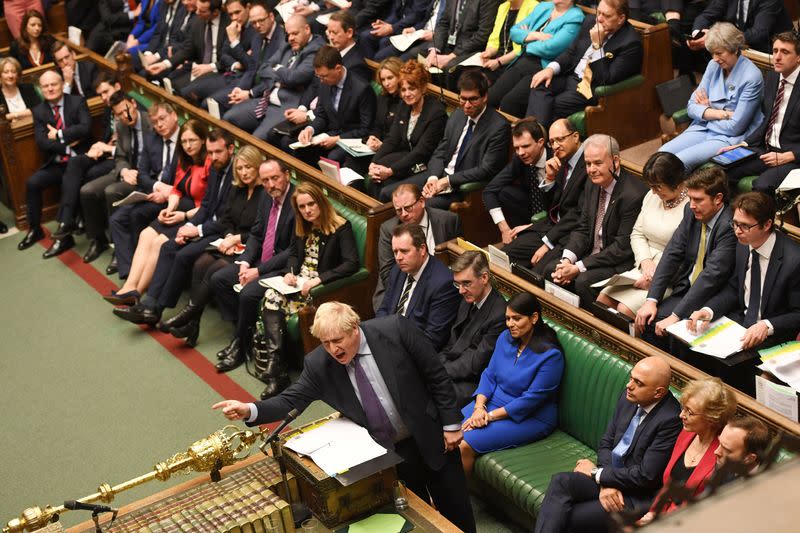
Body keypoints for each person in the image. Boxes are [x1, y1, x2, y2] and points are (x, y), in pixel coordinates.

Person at [213, 301, 478, 533]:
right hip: (392, 453)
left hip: (433, 435)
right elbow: (290, 400)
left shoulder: (395, 330)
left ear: (355, 328)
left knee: (458, 515)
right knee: (420, 518)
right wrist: (251, 410)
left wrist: (452, 424)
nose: (333, 349)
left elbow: (436, 376)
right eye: (325, 343)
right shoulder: (319, 365)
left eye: (337, 340)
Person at [533, 356, 682, 533]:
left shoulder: (671, 419)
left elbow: (646, 476)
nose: (629, 385)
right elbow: (606, 444)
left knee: (567, 517)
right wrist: (604, 482)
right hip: (611, 477)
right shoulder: (628, 397)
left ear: (658, 393)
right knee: (561, 481)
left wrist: (598, 474)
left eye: (638, 383)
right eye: (631, 377)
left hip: (634, 496)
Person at [242, 182, 360, 400]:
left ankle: (277, 372)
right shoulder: (302, 226)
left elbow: (351, 264)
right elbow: (295, 256)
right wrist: (289, 272)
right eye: (302, 207)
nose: (307, 211)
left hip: (318, 291)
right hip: (298, 285)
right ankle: (277, 368)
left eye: (311, 204)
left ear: (321, 202)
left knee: (272, 302)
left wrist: (319, 280)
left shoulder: (341, 227)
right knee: (270, 296)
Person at [112, 131, 237, 331]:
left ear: (231, 149)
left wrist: (196, 229)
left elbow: (227, 219)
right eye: (210, 152)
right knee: (169, 246)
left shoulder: (236, 172)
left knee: (182, 255)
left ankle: (154, 309)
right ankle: (149, 303)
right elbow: (205, 206)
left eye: (218, 152)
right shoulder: (215, 167)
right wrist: (188, 227)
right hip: (205, 225)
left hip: (224, 232)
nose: (213, 157)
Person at [104, 120, 210, 305]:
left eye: (192, 140)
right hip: (178, 209)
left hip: (196, 216)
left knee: (159, 242)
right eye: (184, 141)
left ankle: (138, 292)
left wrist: (183, 216)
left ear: (203, 140)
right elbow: (176, 190)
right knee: (146, 234)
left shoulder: (209, 165)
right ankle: (129, 287)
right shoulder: (183, 159)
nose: (188, 145)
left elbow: (209, 206)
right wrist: (169, 210)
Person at [537, 134, 648, 308]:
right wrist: (567, 261)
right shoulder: (592, 183)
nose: (591, 170)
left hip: (617, 262)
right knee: (552, 269)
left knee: (583, 281)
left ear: (615, 161)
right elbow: (583, 228)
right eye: (588, 164)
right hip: (591, 254)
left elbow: (621, 248)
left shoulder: (633, 195)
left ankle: (595, 331)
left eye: (597, 163)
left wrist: (578, 267)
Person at [459, 292, 565, 474]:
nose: (510, 324)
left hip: (531, 417)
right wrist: (479, 408)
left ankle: (456, 501)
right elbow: (489, 375)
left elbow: (531, 400)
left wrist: (488, 416)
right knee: (450, 429)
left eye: (517, 319)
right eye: (508, 319)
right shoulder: (504, 338)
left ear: (534, 318)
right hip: (491, 405)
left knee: (463, 444)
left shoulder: (551, 356)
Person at [210, 159, 295, 376]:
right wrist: (246, 262)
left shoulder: (297, 202)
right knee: (219, 279)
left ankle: (239, 344)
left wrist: (258, 270)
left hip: (282, 267)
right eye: (265, 180)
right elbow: (257, 234)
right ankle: (244, 334)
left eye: (274, 178)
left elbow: (291, 250)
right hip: (259, 262)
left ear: (287, 175)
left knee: (248, 294)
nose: (270, 184)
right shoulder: (267, 199)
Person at [634, 166, 736, 346]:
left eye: (698, 200)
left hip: (712, 298)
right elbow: (672, 253)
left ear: (718, 199)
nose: (692, 205)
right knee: (647, 321)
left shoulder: (729, 225)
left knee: (671, 331)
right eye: (690, 199)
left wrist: (676, 315)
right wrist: (652, 300)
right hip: (686, 289)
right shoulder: (691, 212)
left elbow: (712, 275)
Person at [687, 192, 800, 350]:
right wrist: (709, 310)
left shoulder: (794, 261)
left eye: (745, 225)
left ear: (767, 225)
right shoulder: (743, 243)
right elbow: (735, 288)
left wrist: (767, 325)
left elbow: (798, 313)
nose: (737, 231)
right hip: (739, 322)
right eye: (734, 223)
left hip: (773, 336)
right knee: (690, 344)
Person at [47, 90, 152, 259]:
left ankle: (120, 248)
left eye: (126, 110)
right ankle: (98, 239)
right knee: (87, 191)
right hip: (126, 171)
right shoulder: (121, 125)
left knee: (111, 191)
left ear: (133, 103)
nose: (125, 116)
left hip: (145, 174)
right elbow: (121, 157)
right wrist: (124, 170)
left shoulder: (150, 122)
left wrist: (139, 174)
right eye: (119, 114)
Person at [82, 100, 177, 271]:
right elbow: (142, 173)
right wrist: (155, 186)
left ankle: (137, 271)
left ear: (174, 116)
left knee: (134, 214)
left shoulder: (184, 141)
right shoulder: (152, 139)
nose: (159, 125)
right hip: (151, 190)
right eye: (155, 122)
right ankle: (127, 272)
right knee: (116, 219)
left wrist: (167, 193)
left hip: (173, 197)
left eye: (162, 119)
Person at [397, 70, 510, 208]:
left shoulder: (499, 126)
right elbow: (440, 151)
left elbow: (486, 169)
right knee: (390, 193)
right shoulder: (457, 115)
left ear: (485, 96)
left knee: (414, 208)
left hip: (462, 187)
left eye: (473, 99)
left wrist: (447, 181)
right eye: (463, 98)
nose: (467, 105)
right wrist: (433, 178)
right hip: (438, 176)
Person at [596, 152, 690, 319]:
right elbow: (637, 233)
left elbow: (686, 255)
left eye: (658, 186)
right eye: (651, 186)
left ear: (676, 182)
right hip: (642, 267)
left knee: (625, 310)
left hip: (668, 276)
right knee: (602, 299)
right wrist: (645, 262)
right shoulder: (652, 196)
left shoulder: (691, 207)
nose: (653, 192)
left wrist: (656, 276)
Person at [661, 22, 764, 171]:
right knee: (662, 154)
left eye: (719, 53)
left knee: (679, 162)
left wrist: (705, 111)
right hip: (702, 128)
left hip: (728, 138)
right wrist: (721, 113)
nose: (715, 58)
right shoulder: (713, 65)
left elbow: (735, 127)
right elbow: (691, 107)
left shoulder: (751, 77)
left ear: (734, 49)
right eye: (712, 53)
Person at [526, 0, 643, 128]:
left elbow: (607, 79)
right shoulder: (590, 21)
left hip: (589, 88)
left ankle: (534, 138)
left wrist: (598, 46)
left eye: (606, 15)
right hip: (571, 76)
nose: (599, 19)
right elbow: (571, 53)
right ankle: (534, 138)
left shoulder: (631, 43)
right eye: (599, 12)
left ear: (621, 18)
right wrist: (550, 69)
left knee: (551, 105)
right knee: (539, 83)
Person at [636, 378, 737, 524]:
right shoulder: (686, 434)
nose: (681, 415)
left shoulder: (722, 452)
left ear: (711, 419)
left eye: (689, 412)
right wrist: (653, 513)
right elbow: (667, 487)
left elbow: (707, 510)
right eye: (684, 408)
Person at [18, 70, 91, 252]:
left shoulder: (77, 101)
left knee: (70, 177)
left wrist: (58, 134)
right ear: (41, 89)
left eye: (54, 84)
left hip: (81, 160)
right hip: (58, 161)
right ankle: (35, 230)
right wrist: (67, 146)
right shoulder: (39, 111)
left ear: (61, 84)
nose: (50, 88)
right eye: (45, 86)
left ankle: (64, 233)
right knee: (33, 183)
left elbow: (85, 128)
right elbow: (42, 142)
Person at [722, 31, 800, 195]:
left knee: (762, 186)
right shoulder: (772, 78)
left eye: (785, 52)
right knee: (721, 170)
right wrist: (744, 144)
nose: (777, 57)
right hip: (765, 150)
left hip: (791, 157)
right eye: (775, 51)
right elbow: (767, 122)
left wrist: (790, 155)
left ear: (798, 57)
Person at [222, 14, 324, 140]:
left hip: (286, 105)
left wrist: (277, 68)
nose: (290, 38)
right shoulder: (288, 44)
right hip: (266, 98)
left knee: (257, 139)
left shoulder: (316, 49)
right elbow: (263, 68)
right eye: (288, 34)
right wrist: (281, 73)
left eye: (295, 33)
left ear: (307, 29)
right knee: (228, 118)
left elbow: (294, 78)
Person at [504, 118, 588, 266]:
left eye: (560, 139)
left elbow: (577, 213)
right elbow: (552, 208)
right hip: (550, 227)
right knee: (505, 255)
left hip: (570, 234)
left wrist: (547, 242)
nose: (555, 146)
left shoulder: (589, 163)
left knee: (536, 272)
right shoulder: (561, 160)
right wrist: (549, 178)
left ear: (575, 137)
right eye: (552, 142)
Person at [365, 59, 448, 200]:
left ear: (422, 88)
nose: (406, 94)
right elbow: (392, 138)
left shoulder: (436, 112)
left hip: (425, 165)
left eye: (412, 89)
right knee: (374, 179)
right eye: (403, 90)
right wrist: (374, 162)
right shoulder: (405, 106)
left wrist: (391, 171)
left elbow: (422, 151)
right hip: (407, 158)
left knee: (385, 189)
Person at [283, 45, 376, 165]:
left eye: (324, 76)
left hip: (351, 137)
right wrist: (310, 129)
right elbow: (322, 115)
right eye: (319, 76)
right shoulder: (324, 82)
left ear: (338, 68)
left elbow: (366, 129)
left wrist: (338, 139)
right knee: (294, 146)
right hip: (329, 132)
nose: (321, 80)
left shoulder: (362, 89)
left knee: (333, 156)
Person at [489, 0, 585, 116]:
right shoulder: (543, 7)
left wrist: (525, 39)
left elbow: (551, 48)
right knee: (492, 97)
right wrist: (535, 35)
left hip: (542, 68)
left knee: (509, 103)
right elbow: (514, 31)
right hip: (523, 60)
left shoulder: (575, 17)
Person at [374, 184, 462, 309]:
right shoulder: (388, 229)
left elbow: (458, 261)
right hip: (399, 288)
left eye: (408, 208)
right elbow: (387, 273)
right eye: (399, 210)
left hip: (439, 288)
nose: (404, 214)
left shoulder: (448, 220)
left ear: (421, 202)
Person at [377, 223, 461, 351]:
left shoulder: (443, 283)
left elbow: (433, 338)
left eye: (404, 251)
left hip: (414, 352)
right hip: (389, 341)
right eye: (395, 252)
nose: (398, 257)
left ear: (422, 249)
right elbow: (383, 309)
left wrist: (393, 345)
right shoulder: (398, 270)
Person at [440, 251, 506, 407]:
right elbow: (452, 342)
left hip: (475, 382)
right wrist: (434, 364)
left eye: (466, 283)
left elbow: (476, 363)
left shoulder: (499, 314)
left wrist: (439, 372)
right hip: (453, 368)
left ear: (484, 278)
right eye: (457, 284)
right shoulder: (468, 298)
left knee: (432, 393)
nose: (461, 290)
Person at [483, 117, 554, 245]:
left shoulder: (555, 159)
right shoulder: (519, 159)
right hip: (530, 210)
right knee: (505, 192)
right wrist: (504, 229)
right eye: (517, 148)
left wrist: (533, 226)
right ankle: (518, 237)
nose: (521, 152)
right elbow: (489, 191)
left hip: (553, 214)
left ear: (540, 142)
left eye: (526, 146)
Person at [145, 0, 230, 91]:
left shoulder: (229, 24)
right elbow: (187, 49)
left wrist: (211, 66)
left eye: (202, 11)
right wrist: (164, 64)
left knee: (187, 91)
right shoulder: (198, 21)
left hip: (220, 70)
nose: (197, 13)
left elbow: (230, 57)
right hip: (199, 68)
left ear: (215, 12)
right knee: (169, 83)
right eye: (197, 9)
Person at [689, 0, 791, 54]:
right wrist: (697, 35)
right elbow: (705, 16)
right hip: (739, 47)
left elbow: (759, 33)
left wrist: (718, 38)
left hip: (769, 51)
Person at [476, 0, 539, 86]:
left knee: (481, 86)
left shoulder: (534, 7)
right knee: (469, 76)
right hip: (496, 60)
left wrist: (499, 62)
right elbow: (494, 40)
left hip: (515, 62)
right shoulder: (503, 6)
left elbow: (522, 47)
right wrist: (488, 53)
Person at [0, 56, 39, 123]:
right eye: (6, 72)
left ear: (18, 74)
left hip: (33, 127)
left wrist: (13, 115)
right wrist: (27, 113)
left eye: (13, 72)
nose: (10, 76)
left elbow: (39, 109)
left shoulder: (28, 88)